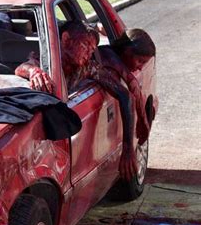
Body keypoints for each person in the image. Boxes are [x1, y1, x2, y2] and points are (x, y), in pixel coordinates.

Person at [16, 20, 138, 181]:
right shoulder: (45, 60)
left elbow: (125, 95)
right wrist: (34, 71)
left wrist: (128, 147)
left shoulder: (86, 67)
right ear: (66, 39)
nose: (89, 53)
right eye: (86, 45)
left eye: (92, 49)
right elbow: (23, 67)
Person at [98, 28, 156, 144]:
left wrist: (142, 118)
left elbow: (131, 82)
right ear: (127, 52)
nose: (140, 68)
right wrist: (128, 149)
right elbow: (128, 90)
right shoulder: (106, 56)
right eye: (139, 61)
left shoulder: (117, 60)